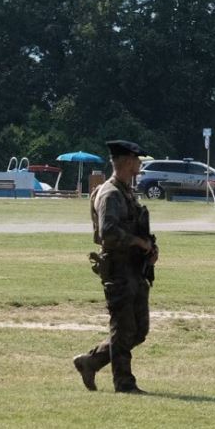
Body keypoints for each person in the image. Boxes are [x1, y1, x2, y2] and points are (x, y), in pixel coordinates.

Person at [74, 139, 158, 394]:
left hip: (135, 269)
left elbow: (135, 226)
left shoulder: (126, 192)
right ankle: (124, 383)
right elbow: (108, 232)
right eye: (137, 160)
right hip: (119, 270)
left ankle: (91, 361)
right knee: (122, 329)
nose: (140, 165)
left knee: (139, 331)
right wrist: (138, 243)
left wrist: (150, 248)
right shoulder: (110, 193)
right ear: (128, 162)